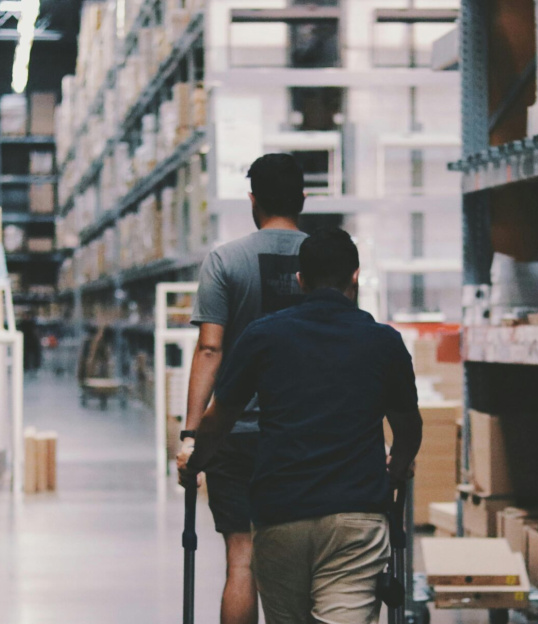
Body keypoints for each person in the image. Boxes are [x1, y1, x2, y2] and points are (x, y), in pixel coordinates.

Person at [178, 228, 424, 624]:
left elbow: (219, 419)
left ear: (300, 281)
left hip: (281, 514)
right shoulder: (384, 342)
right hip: (356, 513)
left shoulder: (263, 336)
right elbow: (409, 429)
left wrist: (194, 458)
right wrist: (394, 471)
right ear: (355, 276)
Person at [182, 153, 310, 624]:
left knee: (242, 560)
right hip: (303, 434)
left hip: (236, 433)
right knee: (304, 561)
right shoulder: (325, 258)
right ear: (303, 198)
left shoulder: (225, 260)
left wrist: (192, 436)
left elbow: (210, 350)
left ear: (251, 199)